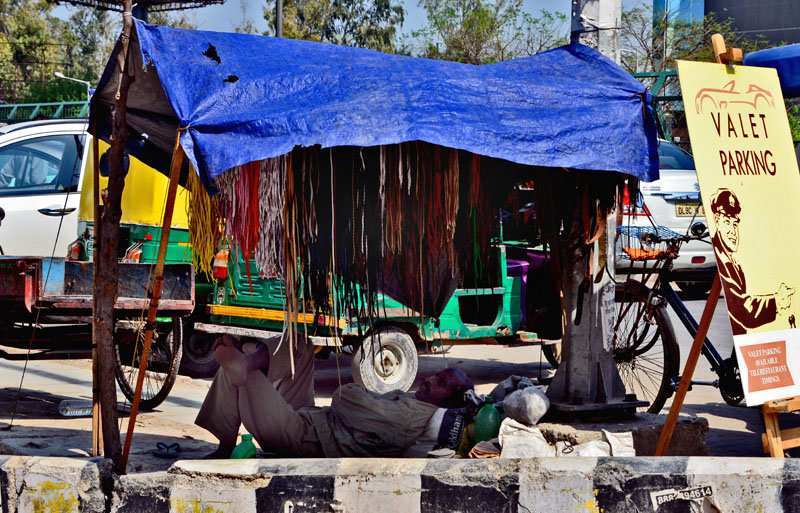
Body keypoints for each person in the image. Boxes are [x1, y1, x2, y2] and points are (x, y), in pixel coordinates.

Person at [195, 332, 474, 458]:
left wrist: (361, 393)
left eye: (440, 382)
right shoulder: (411, 401)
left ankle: (225, 442)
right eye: (436, 375)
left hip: (302, 438)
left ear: (449, 399)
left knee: (243, 374)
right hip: (310, 418)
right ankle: (246, 362)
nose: (430, 378)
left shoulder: (412, 417)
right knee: (301, 342)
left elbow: (344, 399)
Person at [710, 188, 794, 335]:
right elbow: (743, 311)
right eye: (727, 222)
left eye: (735, 224)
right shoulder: (723, 259)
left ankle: (736, 357)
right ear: (717, 221)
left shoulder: (731, 258)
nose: (732, 231)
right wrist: (776, 302)